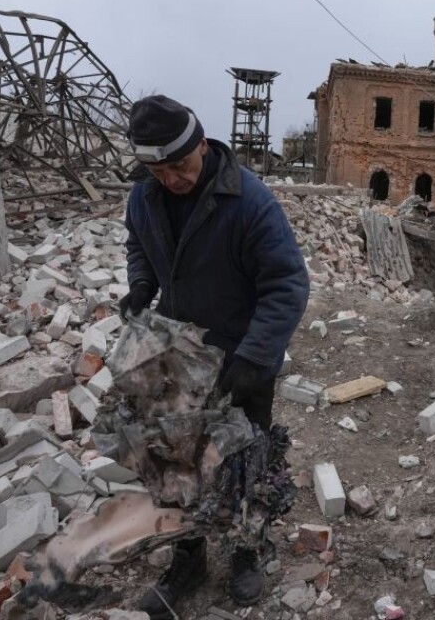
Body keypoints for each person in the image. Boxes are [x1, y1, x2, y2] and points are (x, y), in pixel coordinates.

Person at [119, 95, 309, 613]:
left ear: (202, 144)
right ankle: (188, 555)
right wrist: (141, 283)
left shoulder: (248, 201)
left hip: (243, 355)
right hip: (177, 352)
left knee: (246, 459)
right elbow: (138, 242)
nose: (173, 179)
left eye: (180, 165)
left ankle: (247, 552)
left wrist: (253, 358)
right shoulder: (145, 196)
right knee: (175, 462)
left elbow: (287, 283)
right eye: (159, 170)